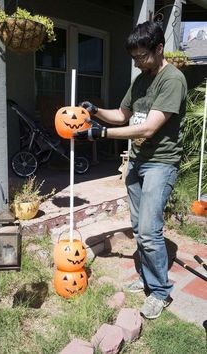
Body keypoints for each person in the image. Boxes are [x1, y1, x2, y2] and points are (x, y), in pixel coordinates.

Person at [74, 21, 187, 319]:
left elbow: (148, 127)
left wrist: (102, 135)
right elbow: (122, 114)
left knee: (149, 231)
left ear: (159, 48)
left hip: (160, 162)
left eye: (142, 56)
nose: (137, 62)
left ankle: (161, 292)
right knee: (139, 228)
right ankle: (149, 279)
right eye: (134, 58)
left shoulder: (172, 80)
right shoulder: (140, 80)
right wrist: (94, 111)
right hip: (137, 161)